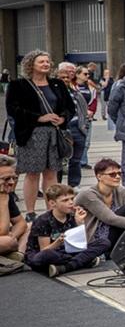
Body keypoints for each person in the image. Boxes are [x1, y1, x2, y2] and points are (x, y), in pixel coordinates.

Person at [5, 50, 75, 220]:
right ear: (31, 65)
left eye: (47, 61)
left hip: (53, 134)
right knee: (32, 173)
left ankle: (51, 210)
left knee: (52, 173)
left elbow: (69, 107)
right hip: (31, 134)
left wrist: (63, 118)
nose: (46, 64)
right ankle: (30, 212)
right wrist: (39, 117)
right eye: (41, 62)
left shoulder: (57, 84)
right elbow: (13, 109)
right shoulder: (18, 85)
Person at [23, 184, 100, 278]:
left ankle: (66, 267)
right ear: (52, 203)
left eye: (72, 199)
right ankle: (82, 261)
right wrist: (58, 242)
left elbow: (82, 242)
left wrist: (80, 223)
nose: (71, 202)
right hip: (47, 252)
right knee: (46, 255)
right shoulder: (43, 220)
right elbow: (44, 249)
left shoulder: (73, 216)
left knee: (103, 242)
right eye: (65, 200)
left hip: (68, 251)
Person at [75, 158, 125, 253]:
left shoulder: (119, 190)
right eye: (112, 174)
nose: (117, 177)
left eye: (119, 173)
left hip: (115, 231)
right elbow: (110, 219)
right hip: (97, 239)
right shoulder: (87, 194)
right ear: (99, 176)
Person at [56, 62, 90, 188]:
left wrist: (84, 124)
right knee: (58, 161)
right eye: (65, 73)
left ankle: (74, 185)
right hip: (62, 129)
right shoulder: (53, 92)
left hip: (78, 127)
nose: (69, 75)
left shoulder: (74, 89)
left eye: (72, 72)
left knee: (76, 160)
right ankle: (56, 186)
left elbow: (83, 108)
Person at [0, 155, 30, 263]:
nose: (12, 182)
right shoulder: (4, 196)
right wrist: (3, 201)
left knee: (31, 226)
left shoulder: (6, 193)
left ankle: (18, 255)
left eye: (14, 178)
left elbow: (21, 223)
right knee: (7, 242)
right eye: (6, 179)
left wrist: (13, 236)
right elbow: (2, 232)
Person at [74, 65, 98, 168]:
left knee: (86, 140)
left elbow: (94, 100)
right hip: (76, 117)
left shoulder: (90, 87)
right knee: (76, 140)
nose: (87, 75)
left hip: (87, 117)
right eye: (85, 74)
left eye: (88, 74)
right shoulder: (73, 87)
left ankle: (83, 161)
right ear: (77, 74)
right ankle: (75, 161)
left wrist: (91, 111)